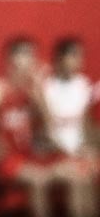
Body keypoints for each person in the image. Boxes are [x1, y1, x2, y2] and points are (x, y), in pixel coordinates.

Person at [0, 36, 95, 217]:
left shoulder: (33, 90)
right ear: (12, 60)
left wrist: (39, 94)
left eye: (33, 56)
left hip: (32, 154)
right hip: (7, 158)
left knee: (78, 175)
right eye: (27, 56)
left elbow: (49, 125)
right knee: (39, 181)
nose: (32, 61)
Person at [42, 37, 98, 215]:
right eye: (74, 56)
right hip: (53, 151)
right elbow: (43, 130)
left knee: (89, 174)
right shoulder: (45, 87)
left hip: (80, 150)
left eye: (80, 56)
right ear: (60, 58)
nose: (79, 61)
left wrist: (89, 147)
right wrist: (67, 152)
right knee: (78, 178)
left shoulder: (83, 85)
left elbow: (87, 124)